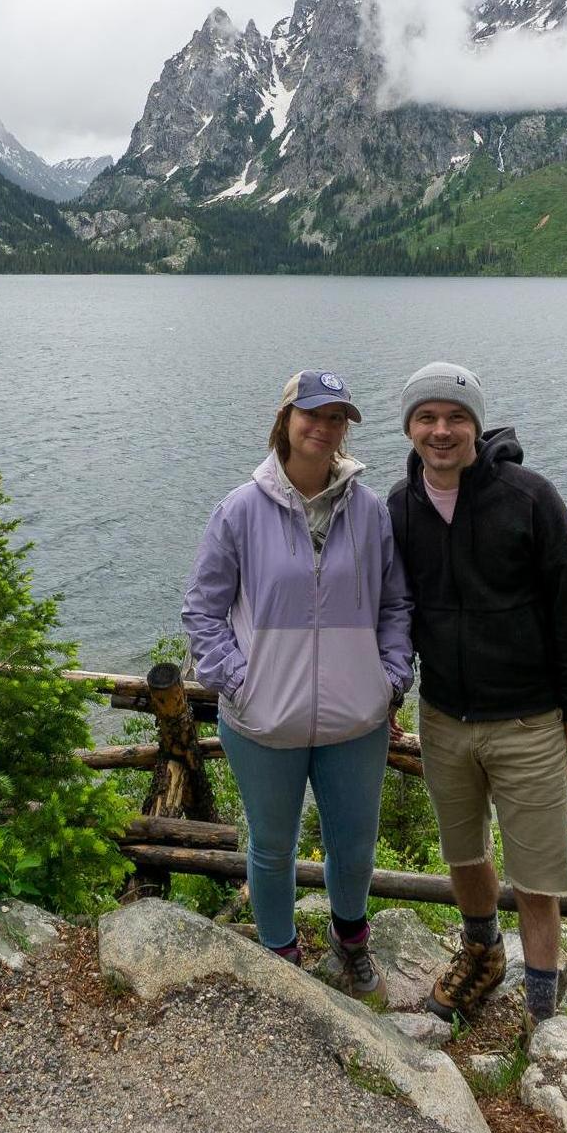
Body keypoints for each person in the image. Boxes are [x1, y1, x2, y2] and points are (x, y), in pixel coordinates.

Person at [182, 370, 413, 1001]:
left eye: (338, 418)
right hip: (263, 721)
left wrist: (390, 678)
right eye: (312, 413)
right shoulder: (239, 510)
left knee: (354, 844)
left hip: (356, 719)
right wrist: (238, 681)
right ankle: (281, 953)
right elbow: (203, 611)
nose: (325, 427)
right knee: (274, 844)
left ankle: (350, 940)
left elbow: (395, 604)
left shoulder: (368, 512)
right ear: (284, 419)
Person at [387, 362, 567, 1028]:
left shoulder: (528, 496)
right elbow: (390, 608)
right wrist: (389, 693)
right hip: (444, 714)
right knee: (463, 854)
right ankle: (482, 956)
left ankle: (542, 1014)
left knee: (537, 874)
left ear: (476, 425)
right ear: (410, 427)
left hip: (527, 716)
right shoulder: (399, 505)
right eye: (427, 417)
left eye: (455, 417)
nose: (441, 430)